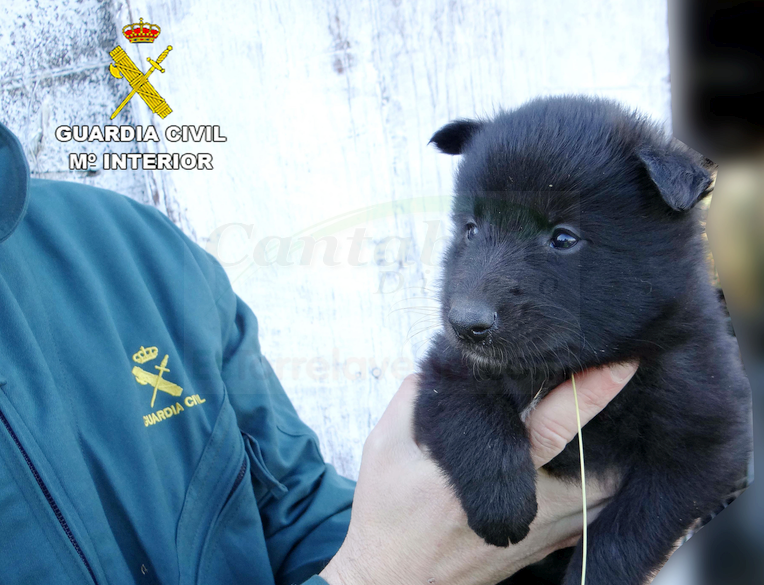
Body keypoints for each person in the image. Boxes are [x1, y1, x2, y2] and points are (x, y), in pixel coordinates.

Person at [0, 121, 636, 585]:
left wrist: (529, 563)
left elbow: (298, 512)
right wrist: (385, 573)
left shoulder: (133, 252)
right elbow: (373, 564)